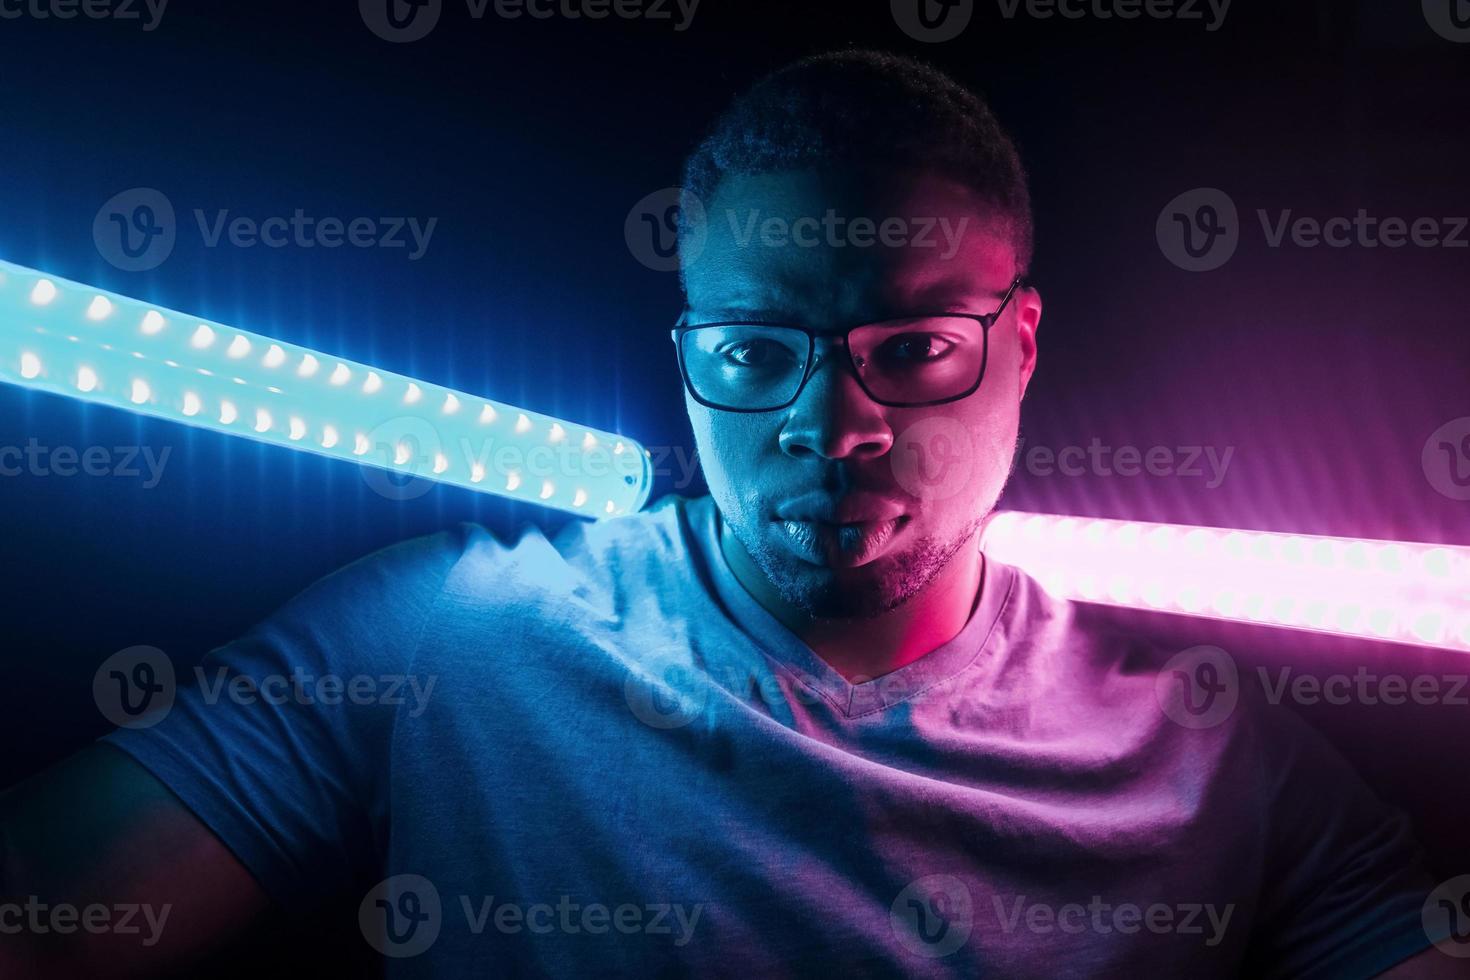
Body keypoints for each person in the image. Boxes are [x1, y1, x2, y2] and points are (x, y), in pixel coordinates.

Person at [1, 50, 1462, 979]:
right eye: (757, 352)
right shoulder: (448, 635)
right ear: (687, 355)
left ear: (1018, 345)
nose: (830, 429)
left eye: (914, 346)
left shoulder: (1201, 744)